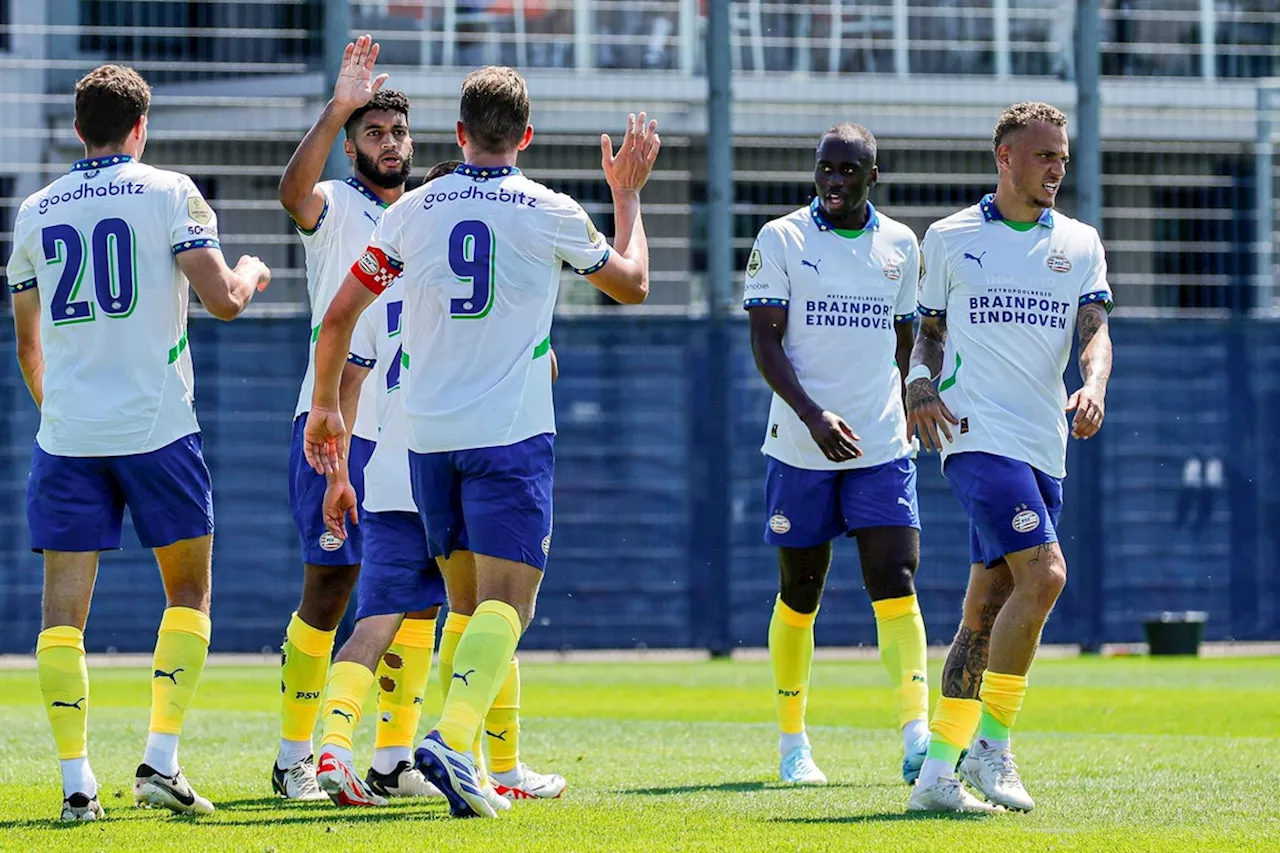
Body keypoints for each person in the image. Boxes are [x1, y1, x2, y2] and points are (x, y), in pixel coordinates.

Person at [303, 65, 659, 818]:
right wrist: (626, 196)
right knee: (512, 604)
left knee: (465, 605)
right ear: (526, 138)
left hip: (425, 439)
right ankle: (455, 742)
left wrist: (327, 409)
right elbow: (631, 283)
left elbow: (339, 319)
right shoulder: (550, 209)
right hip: (508, 434)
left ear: (459, 134)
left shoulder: (411, 211)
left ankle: (477, 761)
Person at [7, 64, 270, 821]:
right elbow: (221, 300)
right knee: (188, 593)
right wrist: (251, 272)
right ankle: (159, 759)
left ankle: (75, 784)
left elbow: (30, 348)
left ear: (78, 127)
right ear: (140, 126)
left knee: (62, 618)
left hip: (69, 436)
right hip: (158, 428)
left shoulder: (35, 210)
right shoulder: (170, 191)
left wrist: (66, 416)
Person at [309, 160, 566, 808]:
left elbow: (348, 373)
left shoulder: (393, 277)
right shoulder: (499, 287)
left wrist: (339, 469)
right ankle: (483, 757)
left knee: (383, 621)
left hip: (399, 472)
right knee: (497, 608)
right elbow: (551, 366)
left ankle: (345, 750)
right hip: (473, 454)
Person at [904, 101, 1113, 814]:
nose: (1057, 166)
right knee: (1047, 574)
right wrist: (919, 382)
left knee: (986, 606)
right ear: (1006, 156)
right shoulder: (951, 237)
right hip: (974, 435)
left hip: (1041, 444)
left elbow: (1095, 333)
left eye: (1062, 155)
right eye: (1044, 154)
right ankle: (994, 746)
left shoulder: (1080, 242)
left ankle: (937, 773)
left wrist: (1093, 383)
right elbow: (928, 333)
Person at [745, 123, 930, 787]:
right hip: (800, 446)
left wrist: (911, 405)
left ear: (872, 178)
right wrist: (813, 415)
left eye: (849, 171)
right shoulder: (782, 238)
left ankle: (917, 736)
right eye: (826, 168)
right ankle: (794, 744)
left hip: (881, 446)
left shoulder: (901, 245)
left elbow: (906, 340)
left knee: (896, 579)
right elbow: (765, 344)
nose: (834, 181)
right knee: (801, 590)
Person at [272, 35, 416, 800]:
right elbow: (291, 193)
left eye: (397, 133)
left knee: (408, 593)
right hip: (335, 424)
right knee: (331, 586)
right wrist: (337, 109)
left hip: (410, 427)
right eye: (375, 132)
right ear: (355, 143)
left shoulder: (423, 215)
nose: (388, 144)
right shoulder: (335, 203)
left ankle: (393, 761)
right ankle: (294, 754)